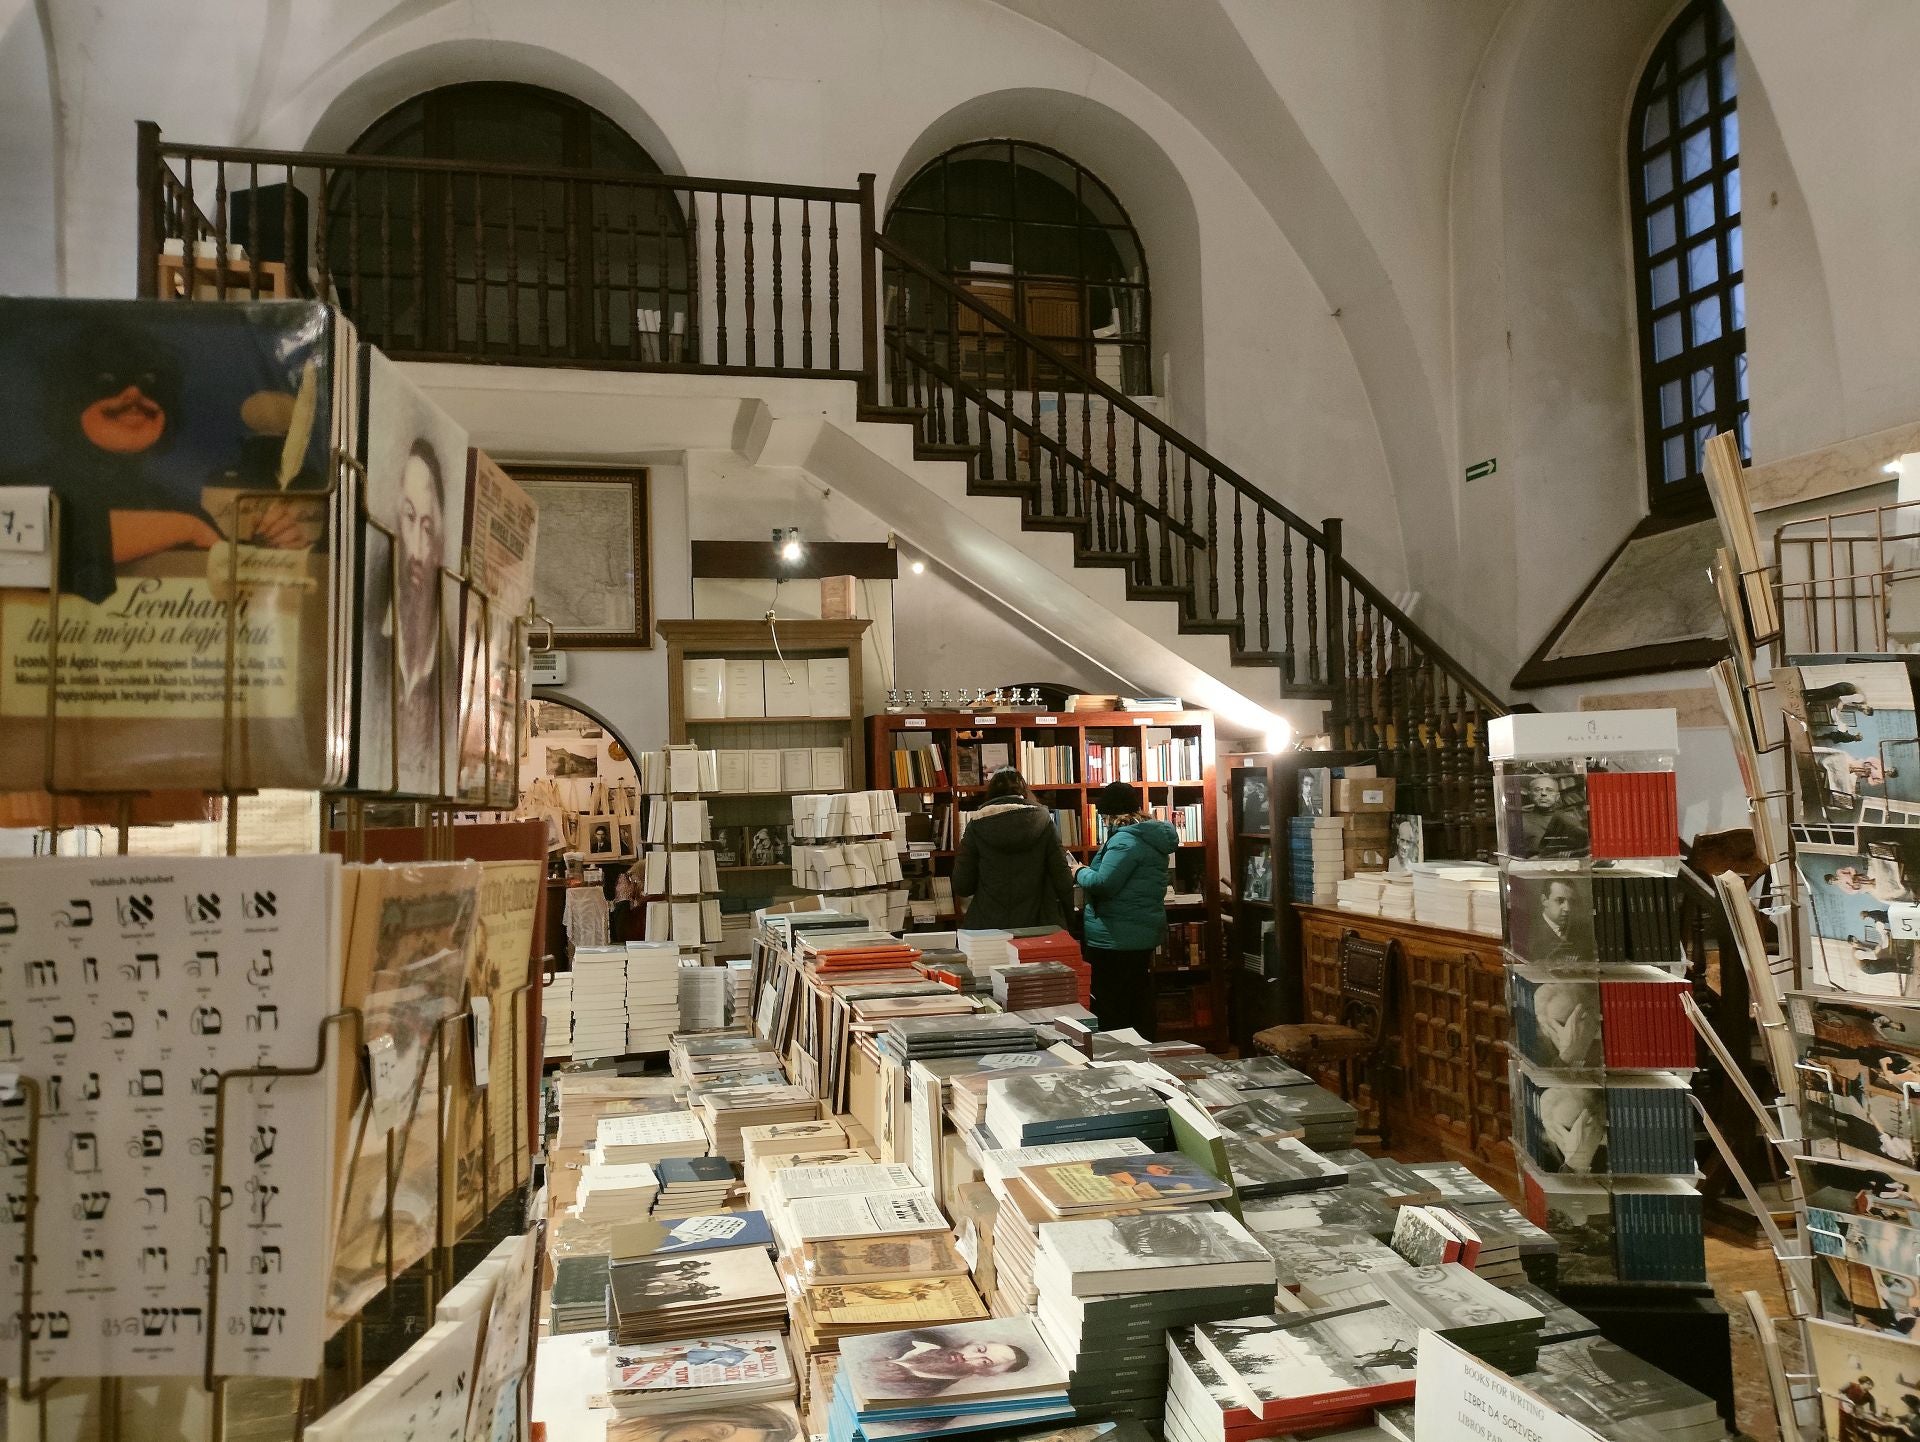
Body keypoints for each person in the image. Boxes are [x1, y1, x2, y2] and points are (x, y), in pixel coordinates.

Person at [1076, 782, 1179, 1039]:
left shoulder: (1125, 840)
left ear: (1112, 814)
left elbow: (1103, 883)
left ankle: (1117, 1059)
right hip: (1138, 933)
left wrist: (1078, 871)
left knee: (1112, 1004)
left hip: (1115, 937)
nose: (1102, 821)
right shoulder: (1148, 837)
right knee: (1137, 998)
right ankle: (1142, 1055)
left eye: (1103, 816)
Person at [951, 768, 1075, 929]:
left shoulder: (976, 825)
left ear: (992, 793)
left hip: (987, 923)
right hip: (1038, 923)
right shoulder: (1044, 822)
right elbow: (1062, 878)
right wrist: (1070, 919)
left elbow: (962, 884)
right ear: (1024, 792)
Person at [852, 1331, 1030, 1398]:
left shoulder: (929, 1392)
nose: (967, 1358)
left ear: (984, 1373)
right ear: (971, 1343)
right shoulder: (916, 1336)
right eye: (980, 1350)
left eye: (985, 1362)